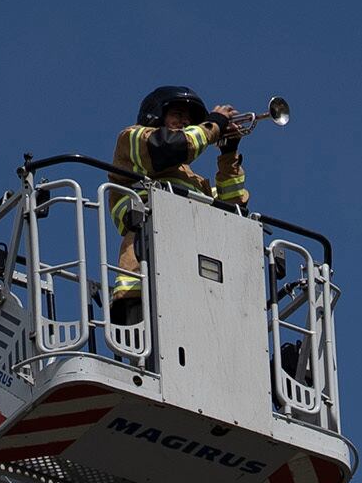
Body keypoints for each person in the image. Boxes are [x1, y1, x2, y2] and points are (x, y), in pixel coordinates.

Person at [109, 85, 255, 325]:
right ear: (155, 115)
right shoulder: (133, 139)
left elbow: (233, 212)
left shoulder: (195, 183)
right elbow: (170, 147)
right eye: (177, 115)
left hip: (195, 286)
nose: (185, 122)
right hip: (142, 283)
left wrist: (229, 154)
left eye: (189, 120)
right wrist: (214, 124)